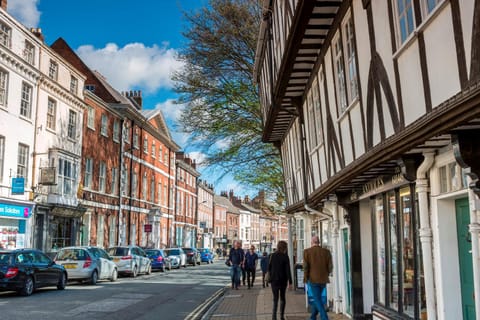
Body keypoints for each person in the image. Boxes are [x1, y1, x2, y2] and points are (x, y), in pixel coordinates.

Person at [303, 236, 333, 320]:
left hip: (313, 279)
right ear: (318, 242)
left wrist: (305, 278)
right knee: (318, 298)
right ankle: (313, 317)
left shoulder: (307, 252)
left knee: (317, 299)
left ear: (312, 242)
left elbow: (305, 267)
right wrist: (326, 273)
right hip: (323, 279)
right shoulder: (326, 252)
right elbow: (330, 266)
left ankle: (324, 317)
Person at [268, 240, 292, 320]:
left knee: (275, 298)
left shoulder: (272, 255)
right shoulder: (285, 256)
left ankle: (273, 317)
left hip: (274, 280)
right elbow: (288, 270)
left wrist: (270, 276)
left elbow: (269, 268)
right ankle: (281, 316)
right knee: (282, 297)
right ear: (284, 248)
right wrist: (290, 282)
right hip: (282, 280)